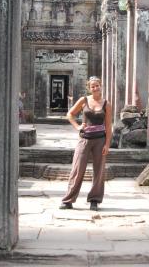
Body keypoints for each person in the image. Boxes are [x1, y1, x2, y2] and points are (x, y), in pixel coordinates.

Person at [59, 76, 112, 211]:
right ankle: (68, 200)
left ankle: (94, 200)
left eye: (97, 85)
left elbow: (108, 126)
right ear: (89, 88)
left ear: (101, 86)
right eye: (92, 86)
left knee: (99, 171)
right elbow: (70, 114)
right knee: (77, 169)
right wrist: (77, 127)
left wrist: (107, 144)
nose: (95, 88)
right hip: (84, 139)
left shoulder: (106, 104)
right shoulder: (84, 100)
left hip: (100, 140)